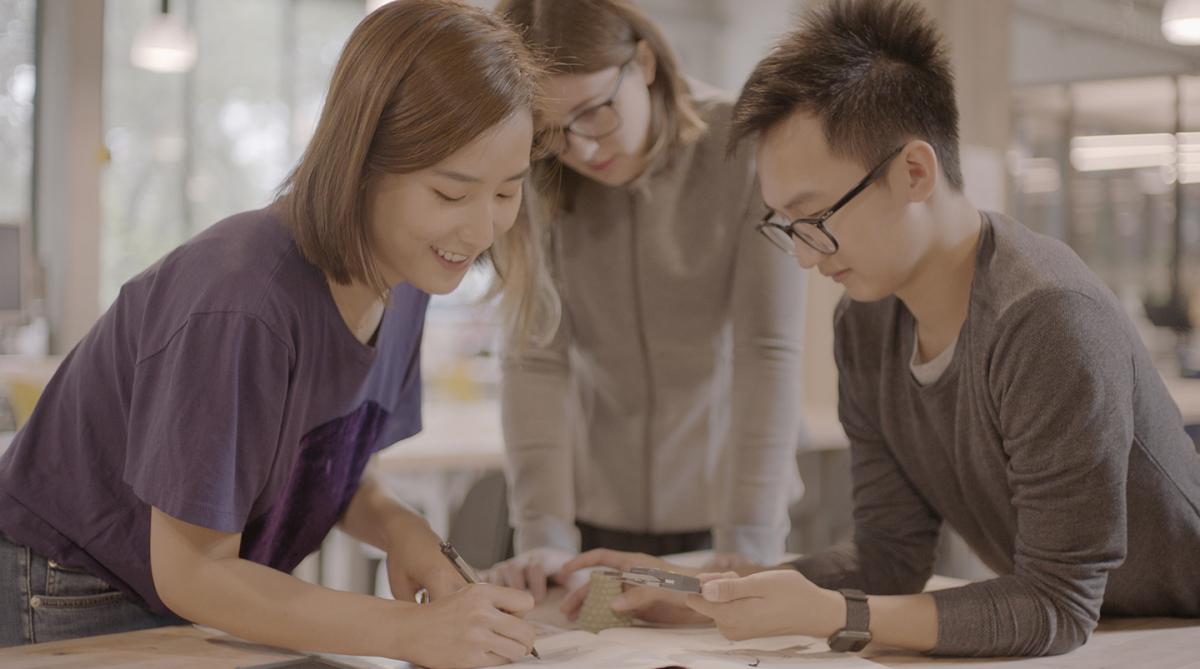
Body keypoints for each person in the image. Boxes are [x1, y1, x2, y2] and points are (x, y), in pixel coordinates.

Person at [558, 0, 1200, 657]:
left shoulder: (1044, 316)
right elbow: (889, 556)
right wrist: (699, 588)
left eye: (816, 216)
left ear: (914, 172)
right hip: (1111, 640)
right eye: (785, 225)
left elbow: (1056, 604)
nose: (806, 254)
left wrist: (837, 614)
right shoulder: (866, 323)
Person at [0, 2, 551, 666]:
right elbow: (192, 571)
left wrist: (406, 532)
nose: (481, 232)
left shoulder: (411, 273)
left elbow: (331, 471)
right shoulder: (243, 298)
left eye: (506, 193)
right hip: (78, 587)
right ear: (362, 163)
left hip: (200, 591)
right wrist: (407, 632)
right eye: (450, 193)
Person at [481, 0, 808, 602]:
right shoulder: (537, 174)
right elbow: (534, 358)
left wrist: (751, 536)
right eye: (552, 129)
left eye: (595, 112)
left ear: (647, 62)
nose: (580, 148)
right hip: (587, 516)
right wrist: (544, 531)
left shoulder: (746, 147)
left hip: (727, 514)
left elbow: (768, 350)